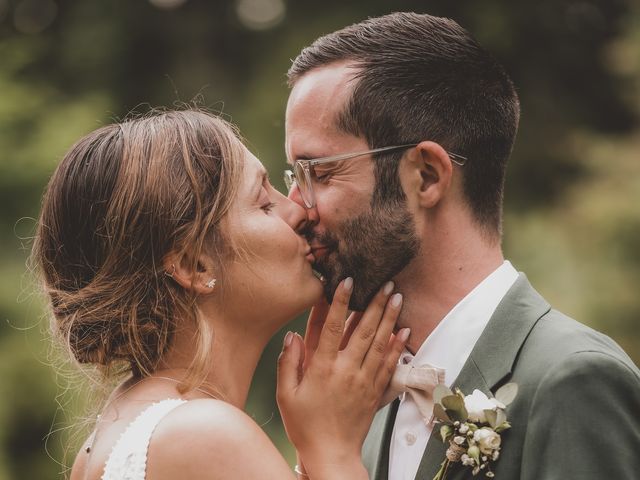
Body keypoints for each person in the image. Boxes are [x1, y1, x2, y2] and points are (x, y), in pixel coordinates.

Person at [283, 12, 640, 480]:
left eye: (320, 173)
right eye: (295, 176)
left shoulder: (573, 381)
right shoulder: (361, 410)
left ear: (426, 176)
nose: (295, 209)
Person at [33, 109, 410, 480]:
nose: (298, 211)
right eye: (264, 205)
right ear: (194, 266)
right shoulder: (203, 435)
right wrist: (334, 452)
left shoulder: (112, 437)